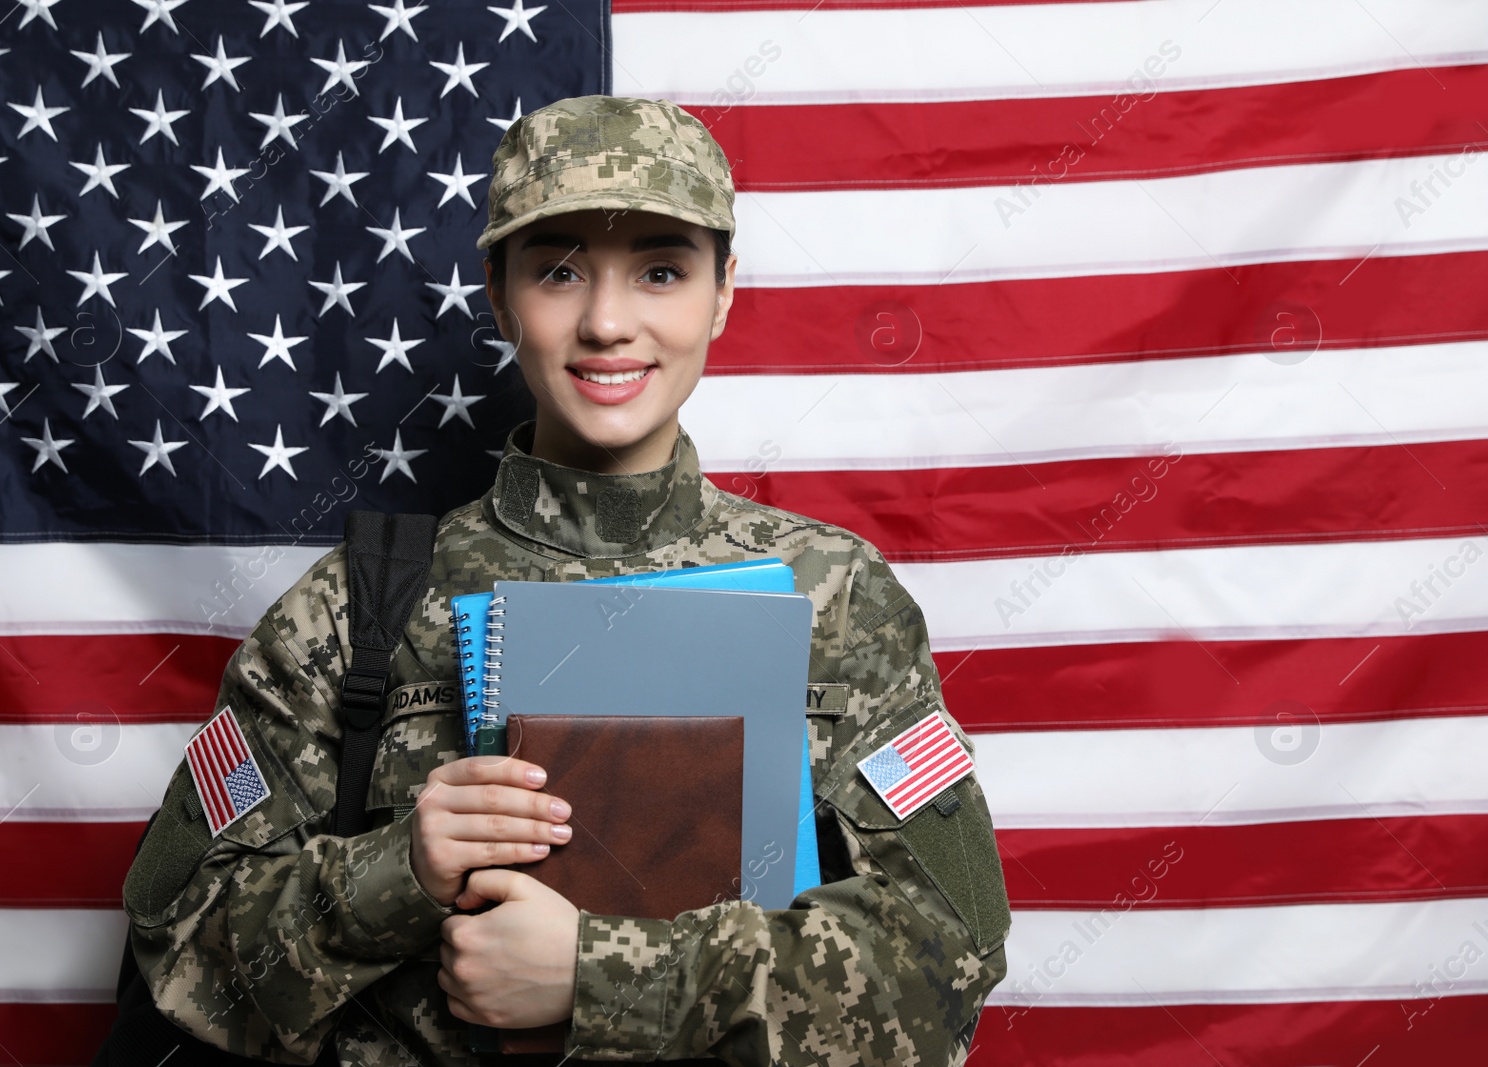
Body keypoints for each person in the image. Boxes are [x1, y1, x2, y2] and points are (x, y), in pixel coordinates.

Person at [123, 94, 1010, 1066]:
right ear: (500, 295)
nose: (607, 321)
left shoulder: (835, 597)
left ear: (721, 292)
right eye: (557, 272)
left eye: (661, 270)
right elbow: (178, 943)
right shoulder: (354, 609)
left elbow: (950, 955)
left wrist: (602, 973)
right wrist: (398, 871)